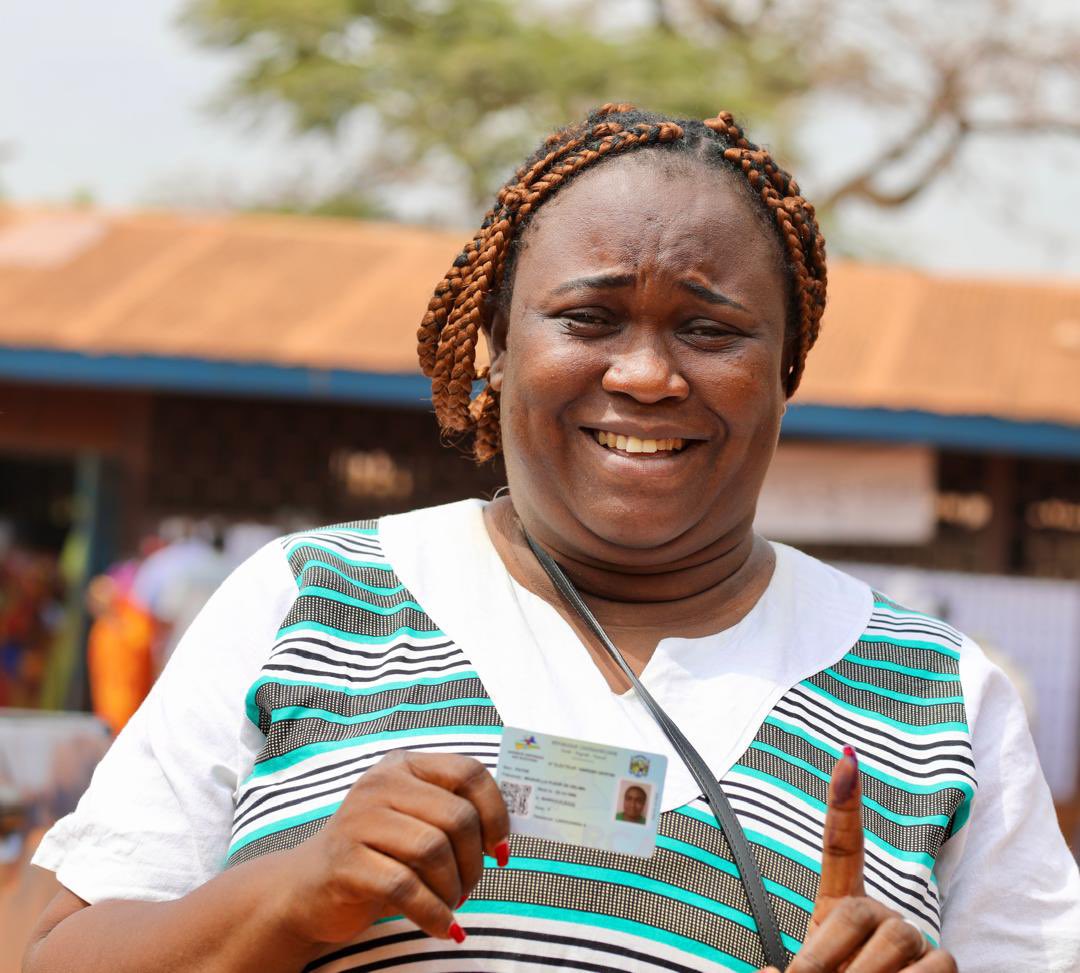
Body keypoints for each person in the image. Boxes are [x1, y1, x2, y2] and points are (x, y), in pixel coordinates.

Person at [23, 104, 1080, 972]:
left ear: (787, 371)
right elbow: (46, 950)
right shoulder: (307, 599)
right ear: (493, 344)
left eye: (710, 329)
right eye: (588, 317)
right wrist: (289, 895)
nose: (647, 375)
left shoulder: (939, 693)